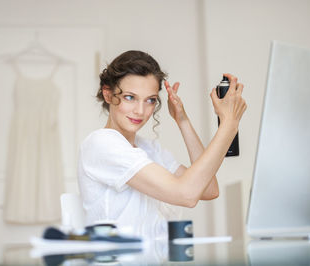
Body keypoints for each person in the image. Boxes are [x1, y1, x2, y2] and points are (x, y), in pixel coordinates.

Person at [77, 50, 247, 239]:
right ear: (108, 94)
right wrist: (229, 125)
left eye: (150, 100)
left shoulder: (149, 150)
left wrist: (182, 120)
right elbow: (187, 195)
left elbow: (208, 189)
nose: (140, 111)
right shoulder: (102, 144)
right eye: (130, 97)